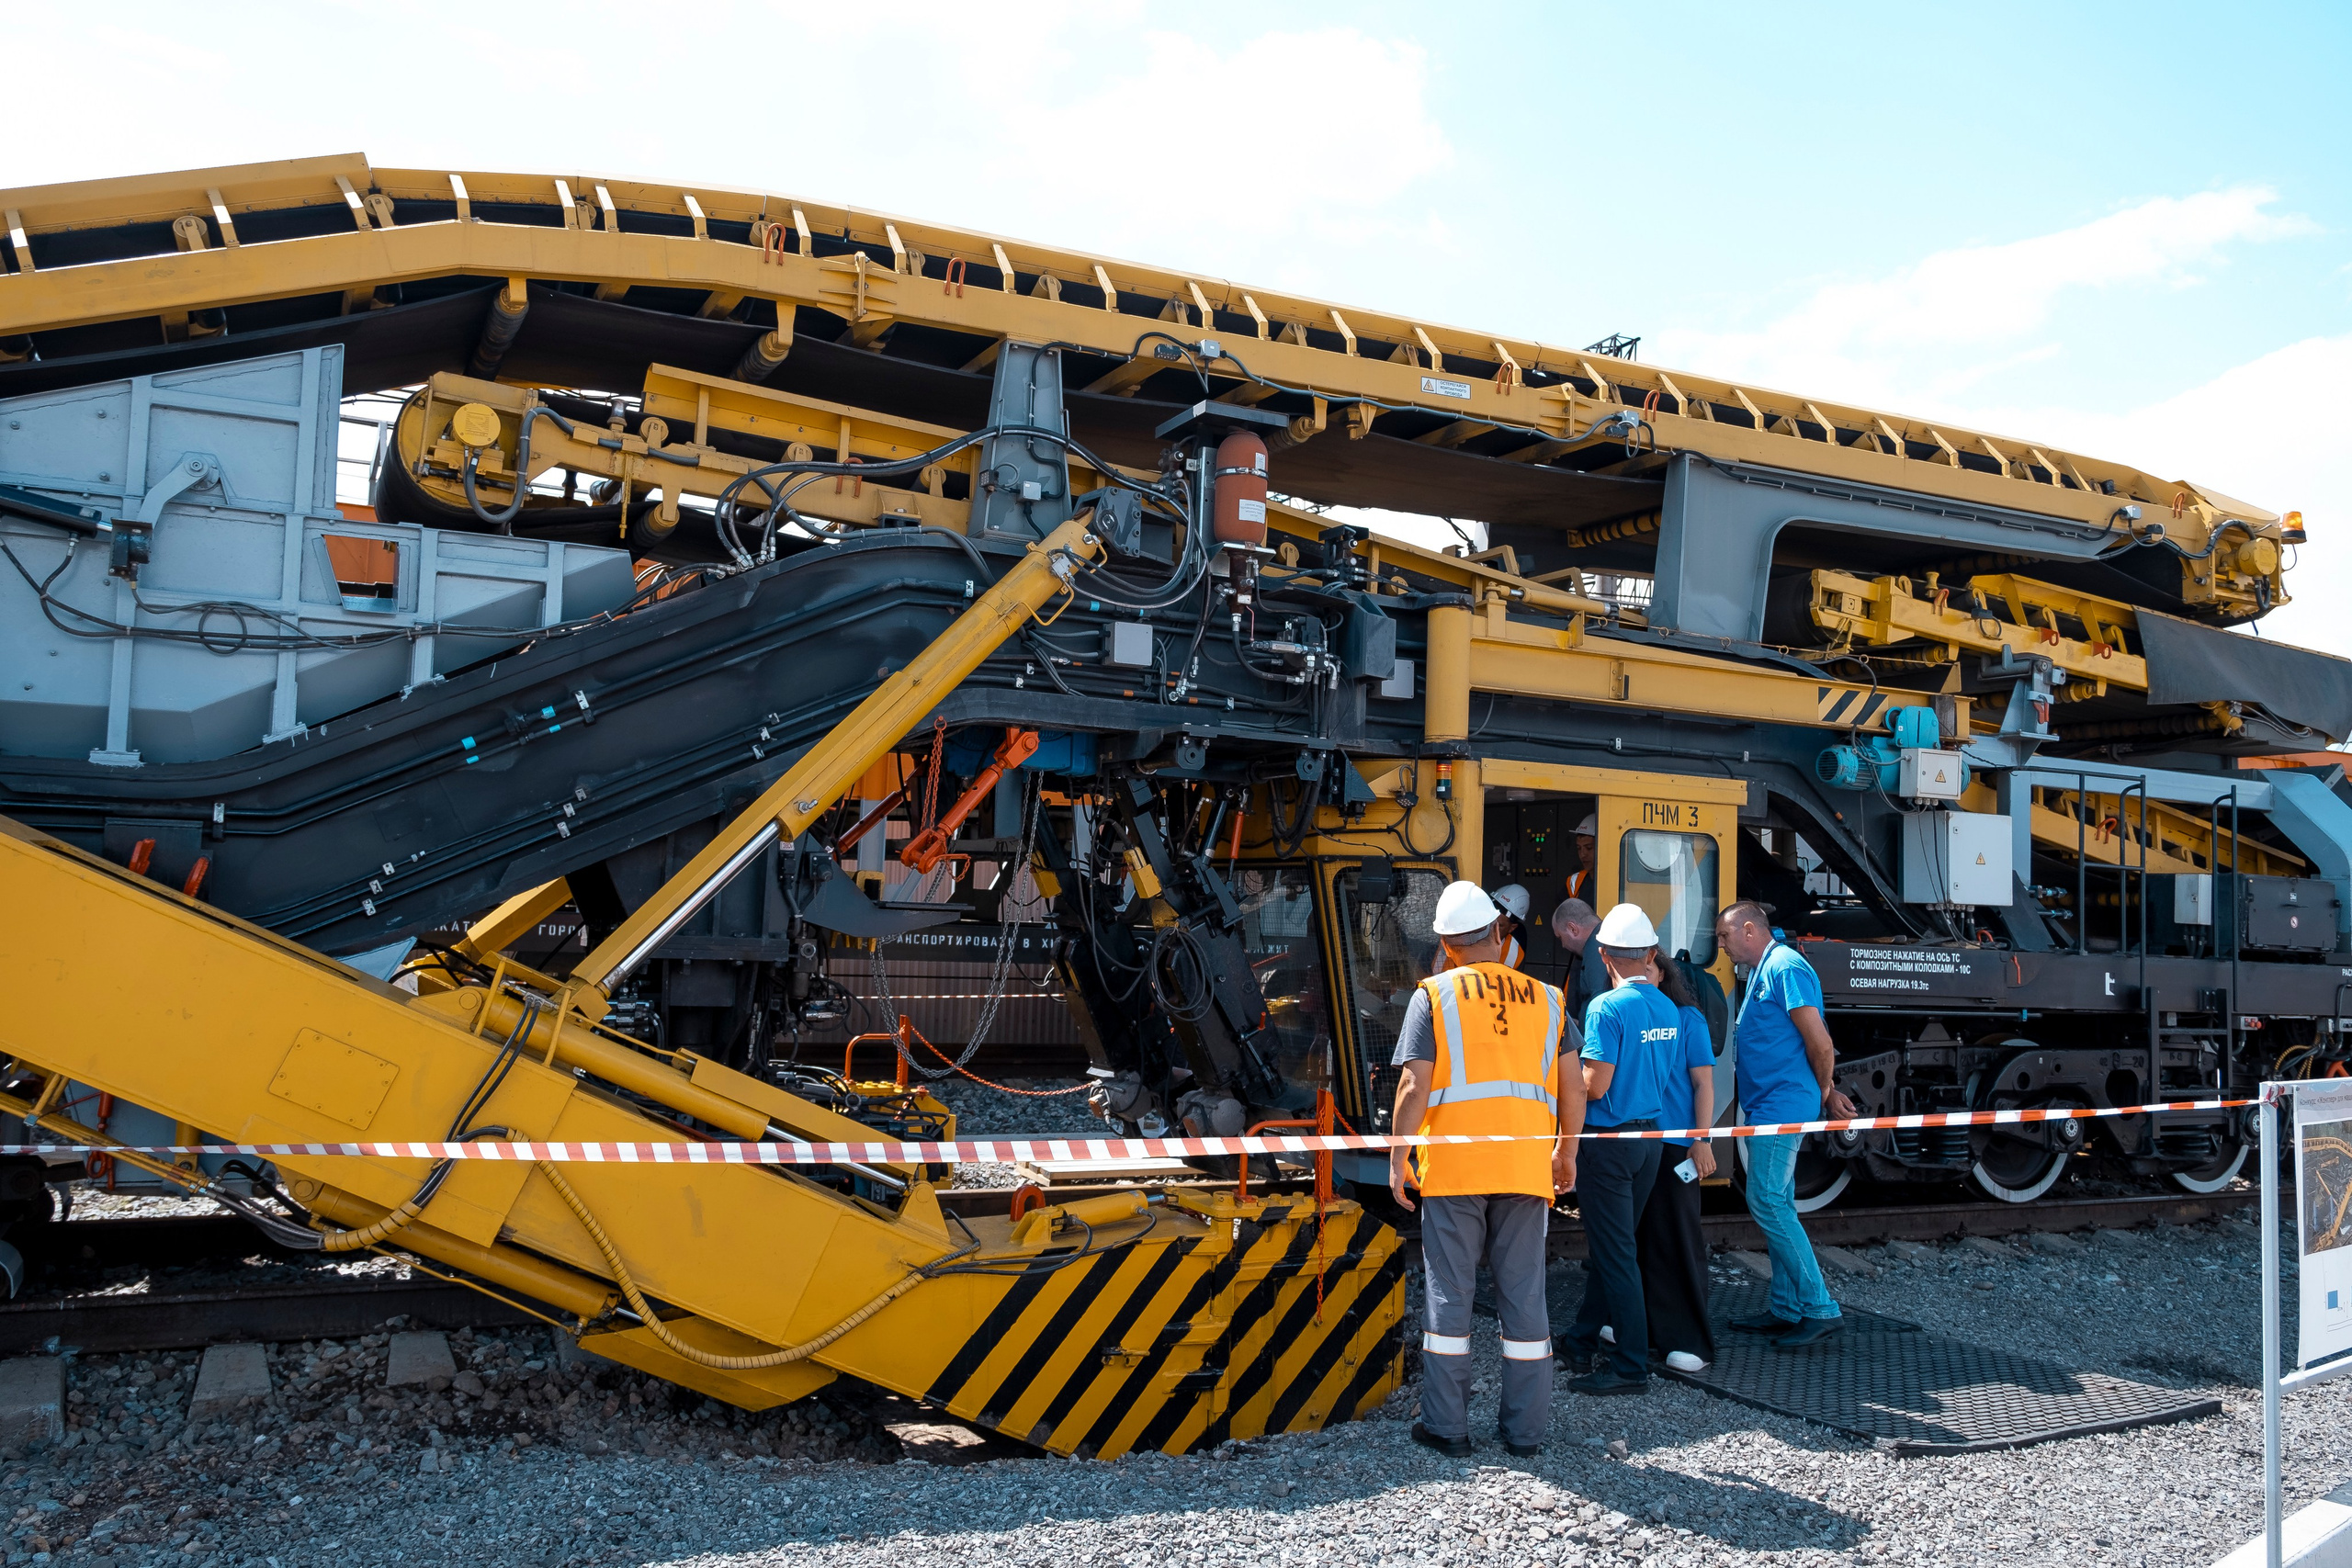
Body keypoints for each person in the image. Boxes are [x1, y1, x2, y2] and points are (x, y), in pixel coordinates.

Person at [1388, 881, 1582, 1459]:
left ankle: (1447, 1428)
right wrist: (1565, 1153)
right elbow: (1573, 1086)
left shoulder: (1434, 996)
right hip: (1525, 1169)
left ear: (1446, 945)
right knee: (1525, 1297)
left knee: (1452, 1294)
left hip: (1454, 1168)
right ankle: (1525, 1434)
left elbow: (1412, 1084)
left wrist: (1398, 1157)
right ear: (1499, 934)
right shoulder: (1549, 999)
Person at [1714, 899, 1856, 1352]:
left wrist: (1824, 1090)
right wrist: (1825, 1092)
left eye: (1724, 937)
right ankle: (1786, 1307)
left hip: (1781, 1105)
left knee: (1767, 1200)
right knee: (1778, 1201)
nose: (1721, 946)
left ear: (1750, 930)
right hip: (1769, 1103)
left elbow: (1820, 1042)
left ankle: (1819, 1308)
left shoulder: (1785, 967)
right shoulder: (1767, 967)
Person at [1557, 903, 1680, 1396]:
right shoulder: (1668, 1006)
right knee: (1615, 1250)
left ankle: (1630, 1365)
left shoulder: (1606, 1008)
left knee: (1616, 1255)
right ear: (1650, 953)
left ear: (1604, 955)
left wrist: (1560, 1079)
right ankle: (1582, 1338)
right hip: (1648, 1138)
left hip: (1608, 1144)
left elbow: (1596, 1086)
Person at [1635, 950, 1717, 1371]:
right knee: (1644, 1236)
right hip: (1641, 1141)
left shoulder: (1689, 1020)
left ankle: (1691, 1340)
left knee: (1678, 1237)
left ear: (1663, 973)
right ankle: (1649, 1328)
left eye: (1647, 968)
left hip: (1676, 1143)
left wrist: (1701, 1140)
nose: (1639, 975)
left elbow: (1704, 1083)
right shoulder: (1634, 1013)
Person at [1548, 897, 1606, 1021]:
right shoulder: (1602, 940)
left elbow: (1601, 1011)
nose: (1563, 945)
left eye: (1560, 938)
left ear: (1573, 929)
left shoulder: (1596, 950)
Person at [1492, 883, 1531, 967]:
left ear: (1512, 928)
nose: (1491, 929)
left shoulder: (1514, 955)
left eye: (1499, 926)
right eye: (1490, 922)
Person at [1563, 815, 1599, 903]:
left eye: (1589, 848)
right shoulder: (1575, 881)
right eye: (1579, 848)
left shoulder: (1615, 882)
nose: (1582, 854)